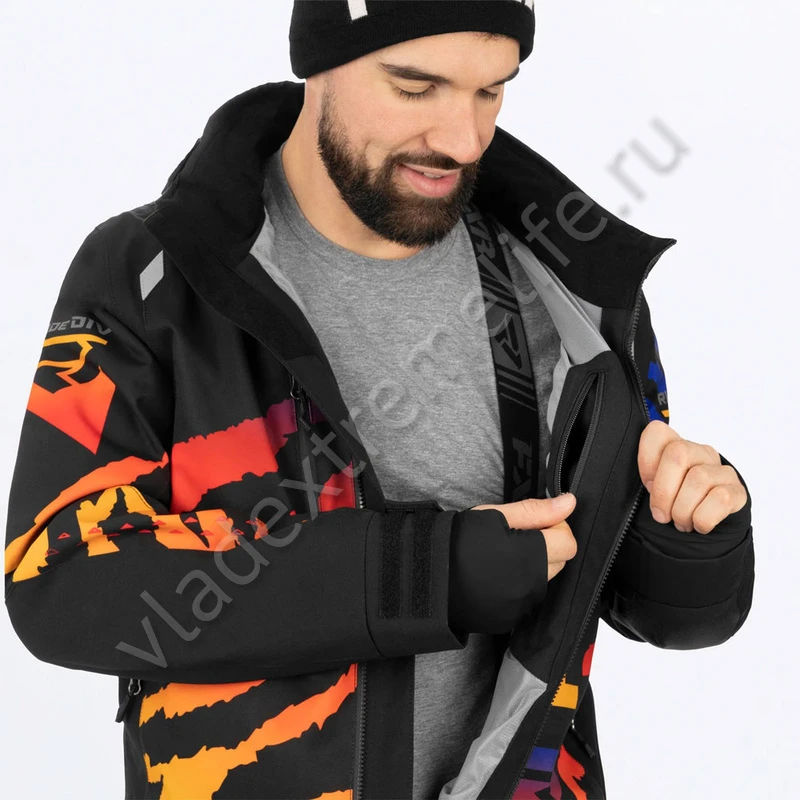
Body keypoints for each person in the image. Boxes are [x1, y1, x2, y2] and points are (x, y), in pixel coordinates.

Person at [4, 1, 755, 798]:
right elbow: (60, 582)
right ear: (319, 62)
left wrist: (690, 538)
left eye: (491, 91)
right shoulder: (155, 276)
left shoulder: (566, 285)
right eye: (415, 86)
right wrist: (421, 576)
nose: (463, 140)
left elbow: (648, 601)